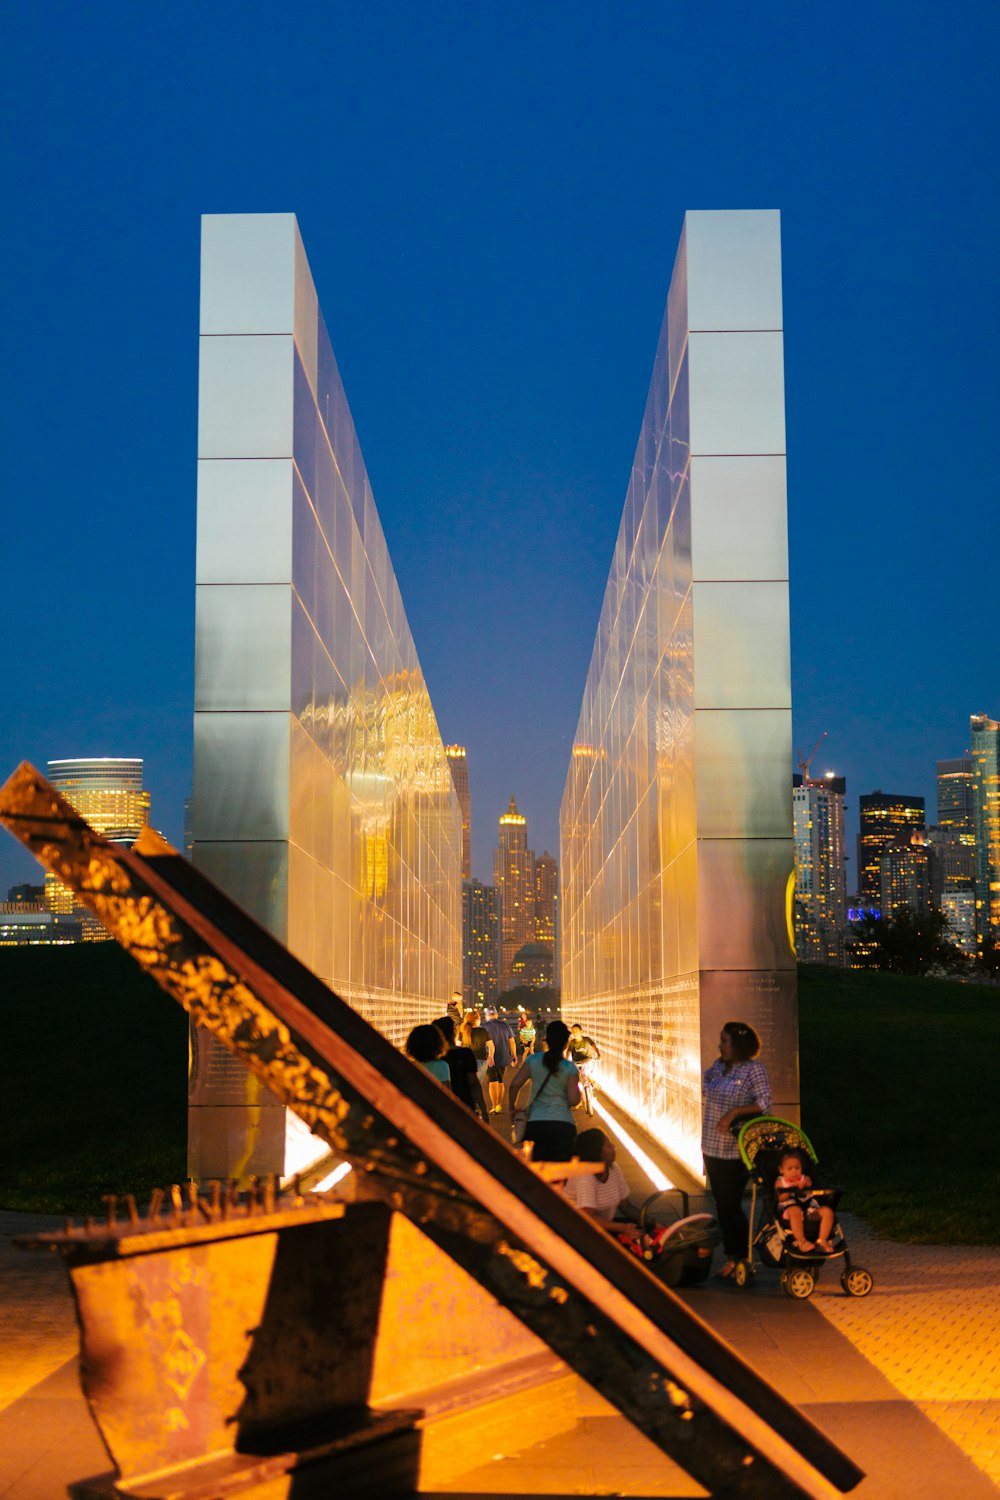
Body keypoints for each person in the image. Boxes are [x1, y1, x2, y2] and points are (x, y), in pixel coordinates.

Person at [701, 1020, 772, 1280]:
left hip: (734, 1150)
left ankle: (742, 1257)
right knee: (721, 1203)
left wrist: (736, 1111)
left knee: (730, 1204)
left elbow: (764, 1103)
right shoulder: (719, 1067)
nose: (720, 1046)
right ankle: (734, 1257)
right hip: (710, 1145)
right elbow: (706, 1081)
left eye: (724, 1041)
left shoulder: (754, 1070)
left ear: (738, 1044)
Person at [508, 1020, 580, 1161]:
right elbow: (573, 1100)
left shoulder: (533, 1060)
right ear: (566, 1042)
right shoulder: (569, 1067)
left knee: (536, 1173)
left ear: (547, 1040)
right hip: (563, 1125)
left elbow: (514, 1085)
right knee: (562, 1173)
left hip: (536, 1124)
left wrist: (512, 1109)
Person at [775, 1149, 836, 1254]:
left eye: (797, 1168)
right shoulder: (780, 1181)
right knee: (795, 1210)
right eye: (790, 1169)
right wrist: (789, 1191)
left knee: (827, 1211)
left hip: (809, 1210)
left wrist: (805, 1184)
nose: (794, 1171)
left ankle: (822, 1240)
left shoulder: (804, 1178)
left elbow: (809, 1183)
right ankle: (801, 1241)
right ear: (781, 1170)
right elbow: (779, 1198)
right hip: (790, 1211)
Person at [434, 1015, 489, 1121]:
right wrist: (484, 1111)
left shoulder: (434, 1057)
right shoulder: (465, 1054)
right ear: (454, 1032)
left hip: (440, 1108)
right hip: (465, 1105)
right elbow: (474, 1084)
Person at [483, 1006, 516, 1115]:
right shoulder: (505, 1025)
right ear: (496, 1015)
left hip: (490, 1058)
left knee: (492, 1081)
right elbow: (511, 1041)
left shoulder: (483, 1026)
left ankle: (494, 1105)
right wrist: (514, 1054)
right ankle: (498, 1106)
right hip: (504, 1057)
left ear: (486, 1015)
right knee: (501, 1081)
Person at [459, 1008, 491, 1086]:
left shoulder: (462, 1031)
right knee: (477, 1084)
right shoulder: (483, 1031)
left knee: (466, 1084)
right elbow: (491, 1046)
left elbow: (458, 1046)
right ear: (476, 1020)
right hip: (481, 1060)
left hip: (466, 1060)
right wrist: (491, 1057)